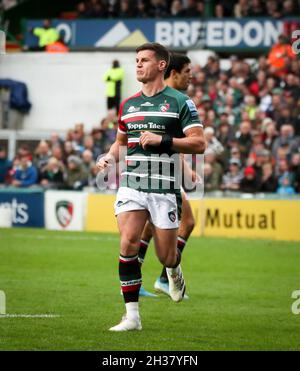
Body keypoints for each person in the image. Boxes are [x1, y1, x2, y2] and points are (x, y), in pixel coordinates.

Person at [97, 42, 205, 332]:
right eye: (136, 60)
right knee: (128, 241)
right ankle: (132, 316)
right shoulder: (128, 105)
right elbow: (120, 144)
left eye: (144, 60)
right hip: (132, 184)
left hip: (165, 188)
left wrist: (163, 141)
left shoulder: (181, 102)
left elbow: (198, 143)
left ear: (160, 65)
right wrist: (108, 157)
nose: (138, 65)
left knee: (166, 255)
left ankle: (173, 269)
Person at [137, 53, 200, 298]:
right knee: (187, 222)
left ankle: (141, 276)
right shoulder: (168, 100)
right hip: (158, 174)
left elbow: (173, 141)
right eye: (187, 72)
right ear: (173, 73)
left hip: (165, 172)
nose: (190, 77)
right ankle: (164, 278)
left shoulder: (174, 100)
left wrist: (185, 168)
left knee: (149, 228)